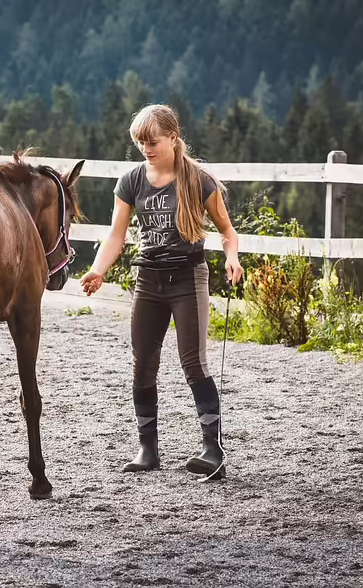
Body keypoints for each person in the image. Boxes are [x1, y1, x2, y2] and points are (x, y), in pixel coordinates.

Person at [79, 103, 243, 479]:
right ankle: (147, 449)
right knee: (142, 363)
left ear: (173, 137)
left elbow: (227, 232)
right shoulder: (131, 181)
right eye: (140, 143)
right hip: (148, 281)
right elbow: (116, 236)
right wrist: (98, 270)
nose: (146, 149)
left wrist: (232, 258)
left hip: (188, 278)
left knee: (193, 363)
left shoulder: (200, 181)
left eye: (152, 141)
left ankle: (211, 449)